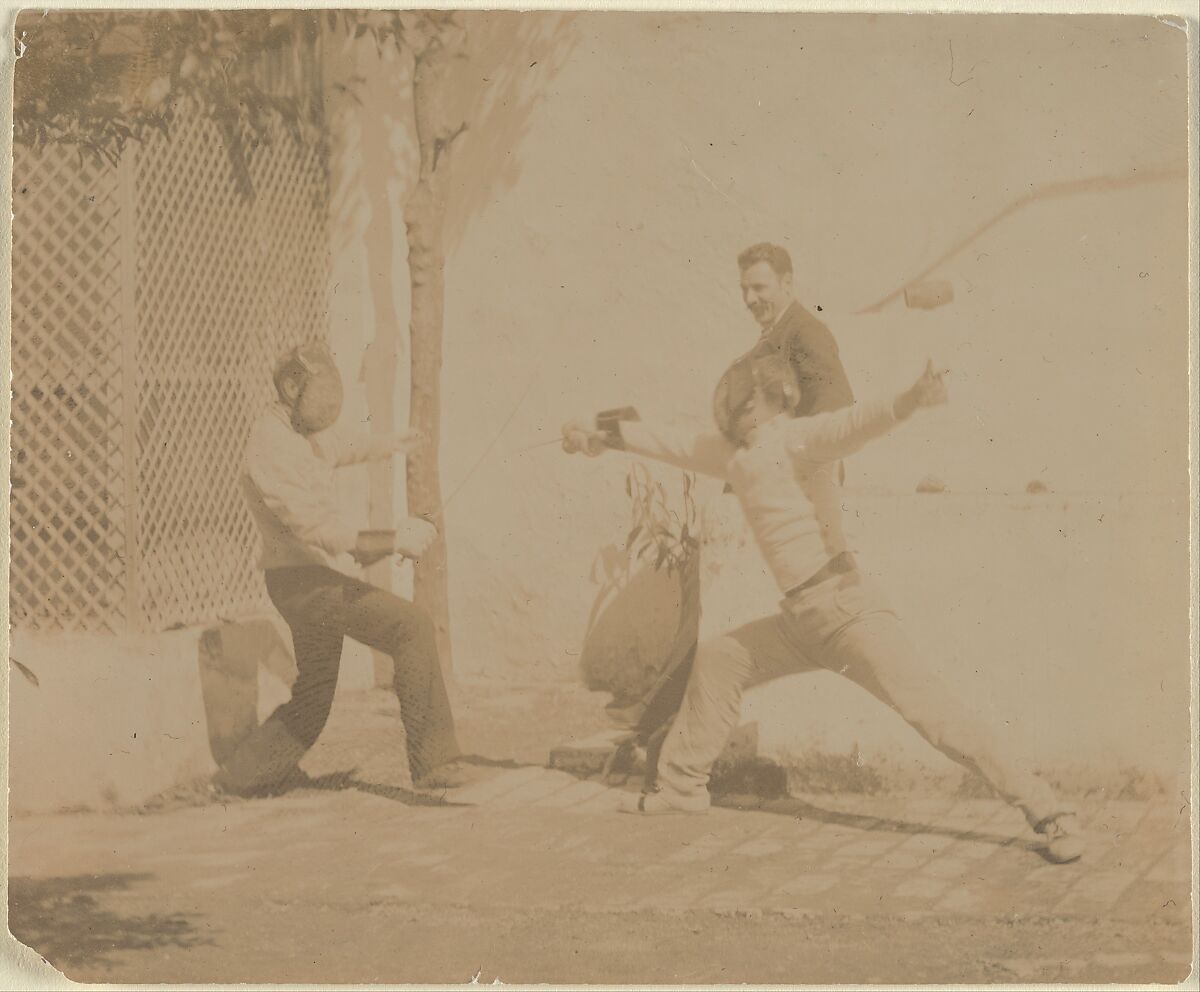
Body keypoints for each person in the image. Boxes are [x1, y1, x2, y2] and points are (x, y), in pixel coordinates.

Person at [561, 355, 1085, 864]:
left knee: (935, 715)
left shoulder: (798, 440)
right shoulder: (734, 454)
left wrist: (910, 399)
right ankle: (681, 789)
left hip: (848, 611)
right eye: (733, 403)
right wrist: (596, 432)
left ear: (775, 402)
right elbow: (668, 441)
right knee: (720, 660)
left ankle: (1048, 813)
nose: (735, 412)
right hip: (800, 621)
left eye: (747, 403)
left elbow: (856, 424)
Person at [215, 341, 481, 797]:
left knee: (315, 694)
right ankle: (434, 761)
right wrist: (391, 540)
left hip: (312, 579)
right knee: (410, 625)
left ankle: (240, 777)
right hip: (301, 582)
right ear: (291, 387)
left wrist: (391, 444)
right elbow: (313, 527)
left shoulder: (300, 430)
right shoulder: (270, 444)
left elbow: (340, 446)